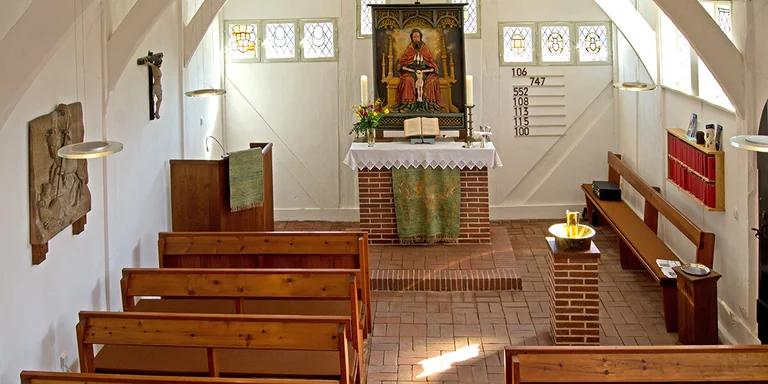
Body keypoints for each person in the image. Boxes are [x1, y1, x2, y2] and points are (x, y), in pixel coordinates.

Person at [394, 29, 442, 112]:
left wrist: (432, 68)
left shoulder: (424, 48)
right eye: (414, 37)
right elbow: (403, 60)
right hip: (410, 71)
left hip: (425, 71)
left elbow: (430, 60)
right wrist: (403, 66)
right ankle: (409, 104)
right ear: (412, 38)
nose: (416, 38)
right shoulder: (409, 48)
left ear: (420, 37)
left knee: (431, 81)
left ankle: (428, 104)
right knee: (408, 80)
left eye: (417, 36)